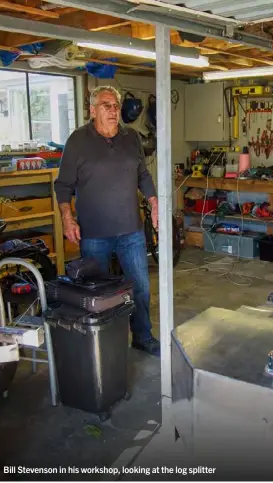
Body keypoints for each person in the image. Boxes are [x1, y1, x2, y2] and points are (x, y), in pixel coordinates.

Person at [54, 85, 160, 356]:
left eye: (115, 105)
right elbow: (63, 185)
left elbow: (143, 176)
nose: (113, 110)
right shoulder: (78, 140)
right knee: (99, 295)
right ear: (92, 110)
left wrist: (155, 202)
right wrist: (68, 218)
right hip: (94, 234)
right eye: (106, 105)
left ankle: (142, 336)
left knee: (140, 288)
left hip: (130, 231)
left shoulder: (131, 137)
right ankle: (104, 344)